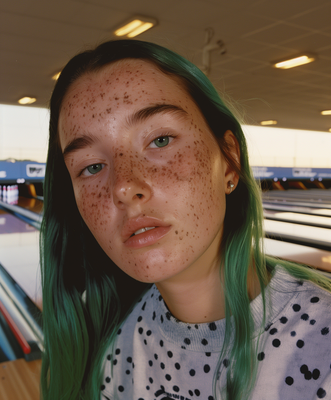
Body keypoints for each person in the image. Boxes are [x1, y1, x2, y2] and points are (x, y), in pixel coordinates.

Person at [40, 39, 331, 400]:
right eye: (92, 166)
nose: (124, 186)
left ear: (229, 160)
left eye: (160, 140)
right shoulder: (109, 350)